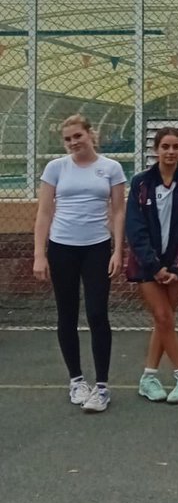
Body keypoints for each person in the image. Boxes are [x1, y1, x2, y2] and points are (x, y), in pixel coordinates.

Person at [32, 114, 126, 413]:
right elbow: (44, 213)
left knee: (98, 315)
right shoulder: (55, 168)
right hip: (62, 250)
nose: (73, 143)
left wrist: (117, 250)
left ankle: (101, 387)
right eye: (68, 139)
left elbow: (119, 211)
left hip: (97, 249)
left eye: (78, 136)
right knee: (67, 315)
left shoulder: (110, 168)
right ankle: (76, 380)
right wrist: (39, 253)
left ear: (90, 134)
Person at [125, 127, 178, 404]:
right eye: (165, 146)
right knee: (163, 317)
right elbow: (135, 227)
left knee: (163, 320)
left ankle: (148, 377)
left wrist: (177, 267)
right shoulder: (141, 182)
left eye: (175, 146)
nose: (170, 151)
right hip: (148, 265)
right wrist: (154, 266)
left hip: (176, 266)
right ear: (156, 149)